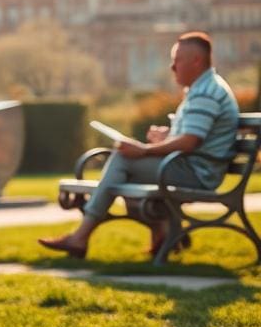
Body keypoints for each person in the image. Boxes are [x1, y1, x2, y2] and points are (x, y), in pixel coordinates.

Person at [38, 32, 239, 259]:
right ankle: (164, 233)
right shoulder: (202, 89)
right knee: (125, 167)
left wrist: (144, 150)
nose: (172, 67)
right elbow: (190, 137)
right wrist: (167, 137)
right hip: (188, 166)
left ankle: (81, 237)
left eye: (177, 60)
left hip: (197, 174)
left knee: (124, 159)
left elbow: (189, 142)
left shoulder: (206, 93)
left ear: (196, 61)